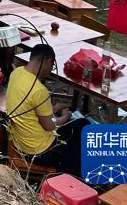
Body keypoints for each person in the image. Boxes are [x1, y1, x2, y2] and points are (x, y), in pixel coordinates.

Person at [7, 43, 89, 176]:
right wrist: (65, 116)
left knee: (80, 126)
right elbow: (50, 125)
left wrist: (52, 108)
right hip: (40, 151)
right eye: (52, 66)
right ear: (48, 61)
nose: (51, 69)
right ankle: (78, 177)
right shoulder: (39, 90)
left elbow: (29, 106)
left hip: (20, 143)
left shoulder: (17, 73)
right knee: (82, 127)